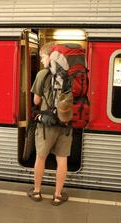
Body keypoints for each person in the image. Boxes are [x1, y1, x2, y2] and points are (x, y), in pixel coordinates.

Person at [27, 42, 73, 206]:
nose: (41, 61)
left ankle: (37, 191)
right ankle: (58, 195)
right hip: (65, 123)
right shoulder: (70, 75)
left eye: (42, 57)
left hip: (46, 124)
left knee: (41, 157)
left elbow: (36, 100)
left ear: (50, 56)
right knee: (62, 159)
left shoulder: (42, 74)